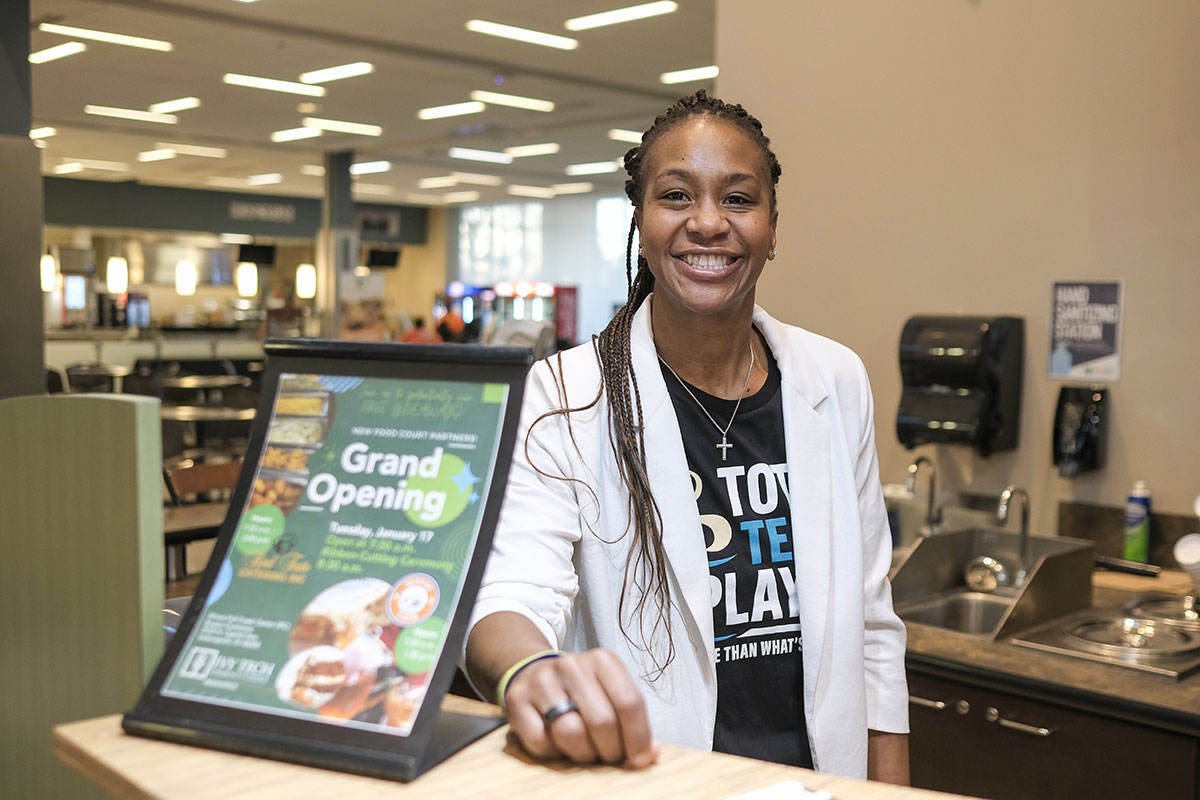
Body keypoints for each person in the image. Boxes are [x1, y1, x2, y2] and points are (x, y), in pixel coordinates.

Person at [465, 90, 909, 782]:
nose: (708, 223)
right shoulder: (563, 398)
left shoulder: (835, 380)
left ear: (771, 225)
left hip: (819, 786)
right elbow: (509, 595)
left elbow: (874, 628)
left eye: (737, 199)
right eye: (676, 196)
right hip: (655, 782)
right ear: (641, 223)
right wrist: (529, 671)